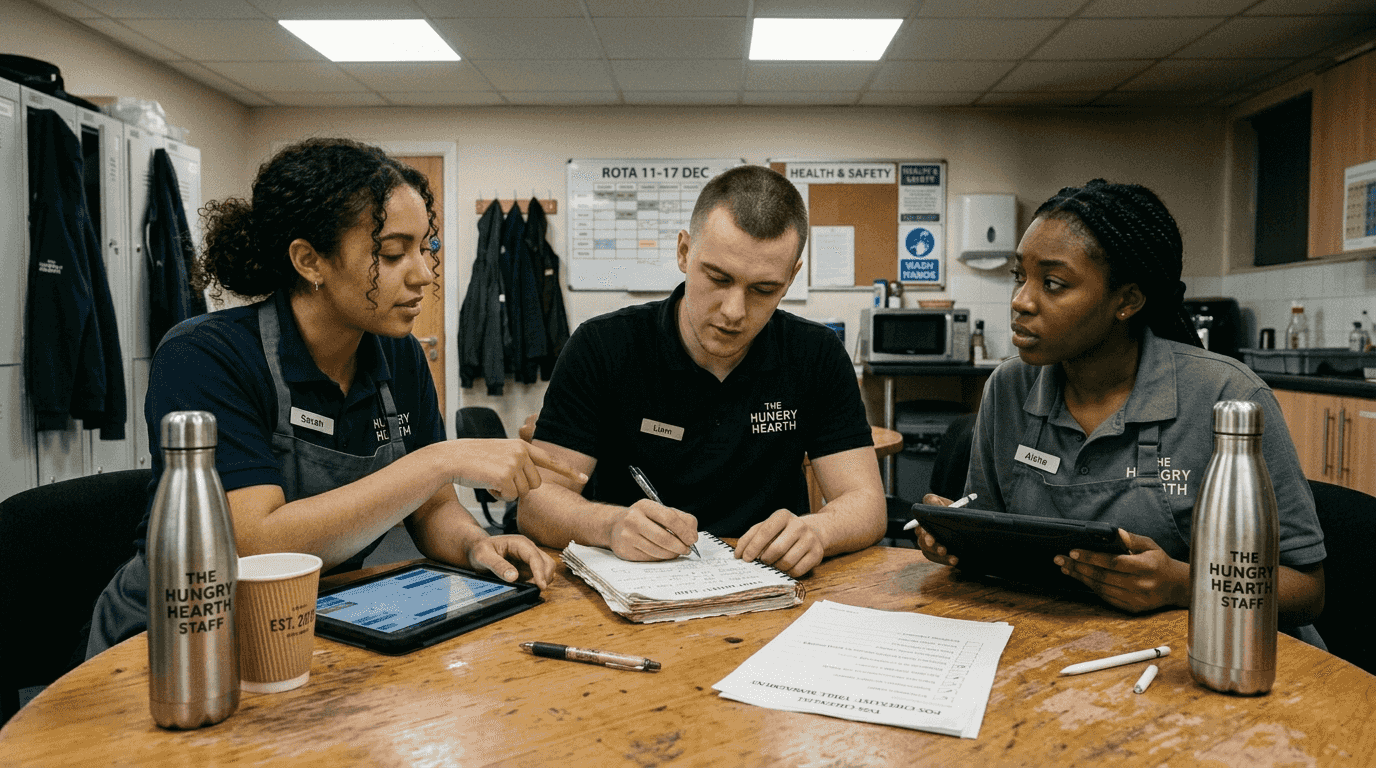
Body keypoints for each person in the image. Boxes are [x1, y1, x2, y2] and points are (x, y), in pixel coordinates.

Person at [86, 138, 582, 657]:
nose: (423, 274)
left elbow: (430, 507)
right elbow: (255, 543)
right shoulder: (205, 357)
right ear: (309, 261)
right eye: (392, 253)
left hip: (318, 624)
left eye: (425, 248)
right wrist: (439, 460)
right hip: (178, 638)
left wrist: (476, 546)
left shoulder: (400, 357)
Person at [914, 179, 1326, 641]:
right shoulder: (1009, 387)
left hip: (1213, 654)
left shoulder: (1228, 398)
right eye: (1020, 277)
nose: (1021, 301)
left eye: (1052, 283)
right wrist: (956, 538)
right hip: (1068, 640)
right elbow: (987, 528)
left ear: (1126, 301)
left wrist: (1182, 585)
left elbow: (1306, 589)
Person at [517, 165, 886, 578]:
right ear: (683, 252)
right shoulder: (602, 346)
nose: (734, 312)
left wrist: (819, 531)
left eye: (763, 289)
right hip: (635, 585)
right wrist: (609, 525)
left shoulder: (817, 355)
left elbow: (866, 502)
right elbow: (537, 503)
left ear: (791, 278)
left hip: (767, 584)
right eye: (718, 277)